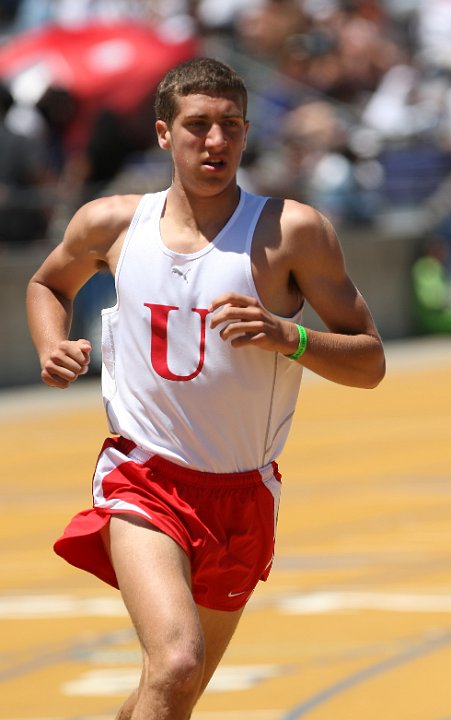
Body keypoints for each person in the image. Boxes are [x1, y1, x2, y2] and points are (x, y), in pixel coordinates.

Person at [26, 57, 385, 720]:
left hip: (242, 494)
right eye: (197, 126)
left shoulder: (292, 234)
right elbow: (48, 283)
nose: (214, 141)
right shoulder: (111, 223)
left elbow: (368, 362)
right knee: (177, 659)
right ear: (164, 135)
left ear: (247, 133)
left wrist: (290, 338)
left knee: (171, 690)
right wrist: (53, 343)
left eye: (229, 126)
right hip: (145, 478)